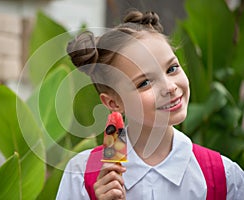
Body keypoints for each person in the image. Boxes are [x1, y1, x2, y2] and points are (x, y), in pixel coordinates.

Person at [56, 10, 244, 200]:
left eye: (172, 69)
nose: (169, 87)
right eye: (144, 83)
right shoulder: (81, 175)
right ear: (113, 103)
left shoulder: (224, 177)